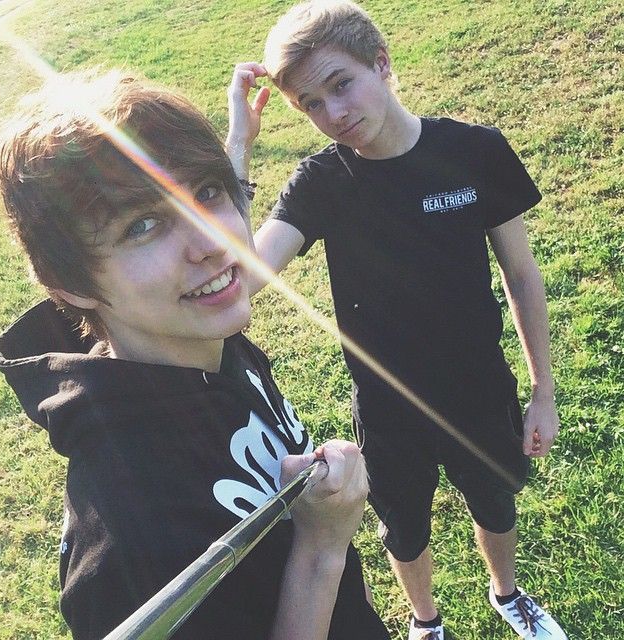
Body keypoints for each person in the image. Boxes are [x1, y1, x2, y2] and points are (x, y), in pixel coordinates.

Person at [0, 69, 391, 640]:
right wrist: (322, 549)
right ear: (68, 283)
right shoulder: (125, 541)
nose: (213, 243)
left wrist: (236, 143)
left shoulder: (207, 342)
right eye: (142, 226)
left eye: (206, 192)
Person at [226, 1, 567, 638]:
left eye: (340, 84)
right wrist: (239, 147)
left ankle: (507, 594)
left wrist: (543, 390)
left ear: (382, 64)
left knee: (495, 505)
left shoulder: (474, 152)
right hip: (385, 406)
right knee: (403, 528)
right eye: (310, 104)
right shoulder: (322, 182)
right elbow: (240, 276)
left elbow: (521, 276)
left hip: (480, 391)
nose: (333, 115)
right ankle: (425, 620)